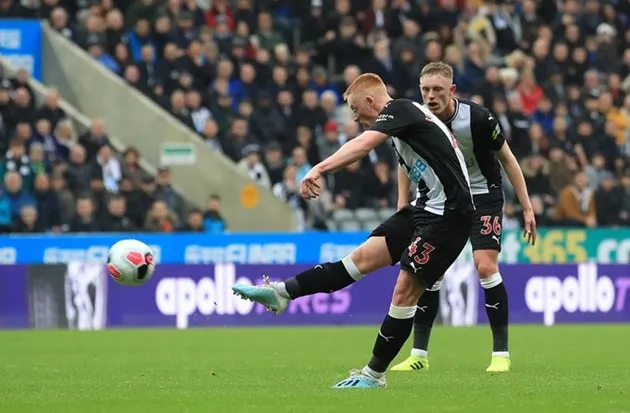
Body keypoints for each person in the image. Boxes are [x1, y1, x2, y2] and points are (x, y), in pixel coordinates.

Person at [234, 73, 475, 389]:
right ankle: (282, 293)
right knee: (356, 260)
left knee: (405, 288)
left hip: (450, 216)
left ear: (372, 102)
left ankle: (374, 375)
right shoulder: (403, 127)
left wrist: (318, 168)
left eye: (355, 108)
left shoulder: (400, 109)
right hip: (424, 209)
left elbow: (362, 145)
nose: (355, 117)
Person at [391, 62, 537, 373]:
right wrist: (403, 201)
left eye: (438, 90)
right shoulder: (415, 119)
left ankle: (501, 355)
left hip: (482, 195)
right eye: (425, 90)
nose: (431, 96)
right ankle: (419, 355)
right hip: (439, 198)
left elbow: (508, 160)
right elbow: (406, 160)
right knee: (427, 273)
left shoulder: (479, 118)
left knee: (485, 266)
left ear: (452, 91)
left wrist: (526, 206)